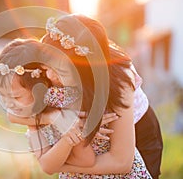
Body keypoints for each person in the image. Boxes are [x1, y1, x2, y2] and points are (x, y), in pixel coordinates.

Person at [0, 36, 152, 178]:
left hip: (124, 158)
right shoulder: (32, 111)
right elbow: (46, 163)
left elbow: (84, 160)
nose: (10, 105)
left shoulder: (66, 98)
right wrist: (54, 121)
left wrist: (69, 139)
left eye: (15, 97)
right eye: (3, 97)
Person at [41, 14, 163, 178]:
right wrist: (56, 117)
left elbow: (122, 162)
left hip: (136, 132)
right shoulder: (51, 59)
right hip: (90, 142)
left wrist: (61, 165)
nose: (49, 76)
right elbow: (16, 111)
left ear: (83, 69)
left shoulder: (119, 78)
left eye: (58, 70)